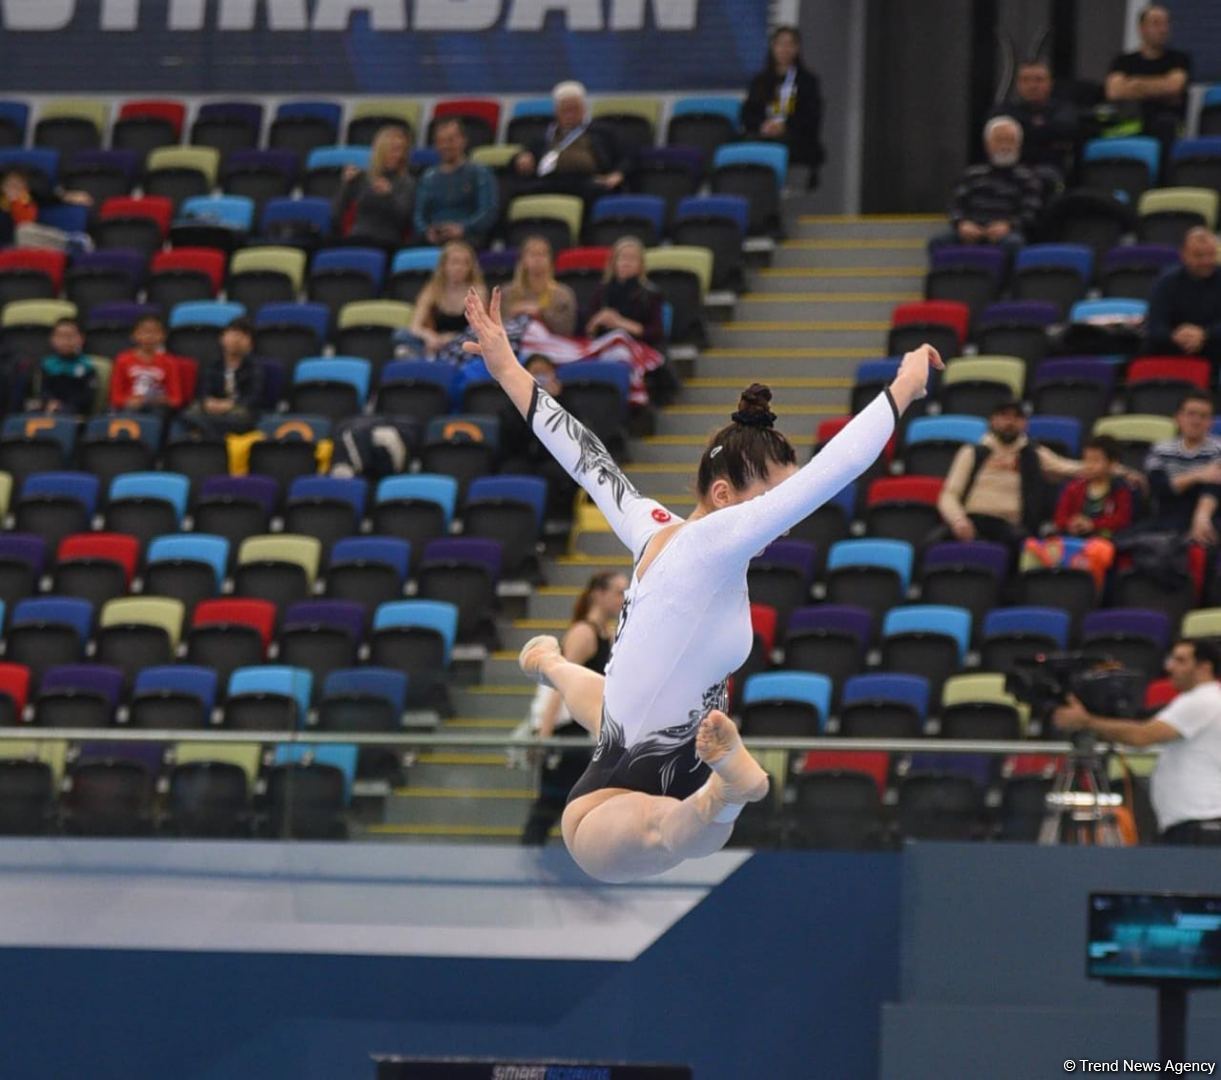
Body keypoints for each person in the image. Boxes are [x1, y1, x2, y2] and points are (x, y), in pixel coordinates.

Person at [463, 285, 939, 883]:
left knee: (637, 795)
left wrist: (505, 365)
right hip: (633, 790)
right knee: (672, 825)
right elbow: (834, 469)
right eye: (768, 497)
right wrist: (903, 387)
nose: (778, 513)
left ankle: (565, 674)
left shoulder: (651, 527)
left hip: (653, 757)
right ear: (723, 495)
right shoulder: (718, 542)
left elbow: (584, 455)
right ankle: (726, 785)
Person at [1055, 638, 1221, 846]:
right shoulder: (1199, 700)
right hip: (1191, 823)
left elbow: (1141, 736)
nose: (1170, 667)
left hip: (1202, 823)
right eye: (1171, 659)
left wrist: (1086, 721)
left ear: (1204, 667)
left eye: (1181, 661)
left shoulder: (1203, 700)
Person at [521, 572, 629, 846]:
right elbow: (557, 681)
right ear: (598, 594)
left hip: (585, 729)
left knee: (582, 805)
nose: (623, 598)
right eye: (618, 592)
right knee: (554, 804)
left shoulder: (607, 634)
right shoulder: (584, 633)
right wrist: (544, 735)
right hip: (568, 733)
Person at [935, 399, 1081, 555]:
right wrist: (959, 521)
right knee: (931, 544)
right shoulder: (972, 452)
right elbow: (949, 494)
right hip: (971, 519)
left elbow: (1068, 468)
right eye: (1004, 416)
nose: (1010, 422)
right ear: (992, 420)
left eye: (1016, 417)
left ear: (1025, 424)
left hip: (1009, 525)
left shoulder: (1033, 453)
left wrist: (1101, 466)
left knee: (1022, 546)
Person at [930, 116, 1044, 255]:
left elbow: (1029, 213)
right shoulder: (972, 175)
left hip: (1007, 232)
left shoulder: (1028, 178)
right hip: (971, 228)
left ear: (1019, 145)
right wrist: (961, 223)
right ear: (987, 144)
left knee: (1013, 244)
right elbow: (955, 205)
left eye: (1010, 140)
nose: (1005, 146)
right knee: (938, 242)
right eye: (999, 140)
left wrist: (1008, 225)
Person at [512, 81, 627, 202]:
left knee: (598, 191)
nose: (570, 115)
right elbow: (523, 153)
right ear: (556, 111)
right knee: (519, 191)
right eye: (565, 110)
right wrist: (521, 157)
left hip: (588, 180)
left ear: (584, 109)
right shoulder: (545, 133)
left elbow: (627, 157)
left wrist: (617, 174)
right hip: (550, 180)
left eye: (574, 109)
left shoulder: (601, 131)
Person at [741, 24, 824, 187]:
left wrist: (784, 126)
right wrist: (763, 125)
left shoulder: (807, 82)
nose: (784, 49)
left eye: (789, 44)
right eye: (780, 44)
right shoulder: (760, 81)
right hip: (763, 134)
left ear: (797, 48)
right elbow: (748, 113)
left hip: (795, 137)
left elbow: (811, 116)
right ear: (773, 47)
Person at [499, 354, 579, 522]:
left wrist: (554, 402)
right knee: (513, 469)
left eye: (545, 372)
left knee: (554, 473)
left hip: (554, 460)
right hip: (522, 458)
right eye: (535, 372)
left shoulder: (566, 403)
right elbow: (511, 441)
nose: (540, 377)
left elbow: (571, 437)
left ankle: (553, 521)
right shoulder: (511, 406)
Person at [1105, 4, 1190, 157]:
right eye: (1156, 23)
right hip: (1131, 122)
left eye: (1166, 23)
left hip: (1167, 123)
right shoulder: (1123, 61)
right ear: (1142, 28)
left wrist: (1134, 84)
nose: (1163, 29)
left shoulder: (1179, 60)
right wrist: (1159, 87)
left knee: (1165, 124)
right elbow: (1114, 91)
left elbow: (1173, 87)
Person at [1143, 389, 1221, 545]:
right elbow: (1160, 488)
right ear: (1178, 418)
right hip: (1166, 516)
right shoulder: (1160, 449)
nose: (1196, 421)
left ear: (1210, 422)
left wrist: (1201, 517)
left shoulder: (1218, 448)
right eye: (1191, 414)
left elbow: (1214, 487)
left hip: (1208, 516)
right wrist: (1198, 475)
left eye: (1203, 416)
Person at [412, 118, 498, 251]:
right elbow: (418, 215)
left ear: (463, 141)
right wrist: (426, 231)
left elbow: (487, 212)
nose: (446, 146)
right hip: (434, 238)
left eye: (451, 140)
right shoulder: (428, 177)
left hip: (468, 237)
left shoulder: (480, 173)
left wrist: (463, 228)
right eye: (441, 141)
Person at [992, 59, 1079, 181]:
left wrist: (1020, 131)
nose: (1032, 86)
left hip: (1049, 172)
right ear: (1018, 84)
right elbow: (994, 129)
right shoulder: (1003, 111)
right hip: (1008, 171)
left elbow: (1067, 130)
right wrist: (1042, 132)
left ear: (1050, 83)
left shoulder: (1063, 109)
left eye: (1039, 80)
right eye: (1026, 80)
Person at [1146, 228, 1221, 367]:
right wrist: (1175, 336)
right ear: (1184, 255)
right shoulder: (1165, 283)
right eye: (1199, 255)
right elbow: (1155, 327)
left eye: (1211, 255)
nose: (1206, 261)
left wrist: (1204, 334)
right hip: (1172, 351)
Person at [334, 124, 415, 249]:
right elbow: (336, 212)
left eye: (401, 150)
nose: (397, 155)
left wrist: (389, 196)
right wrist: (346, 185)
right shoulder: (363, 178)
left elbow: (404, 221)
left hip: (387, 240)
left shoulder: (406, 182)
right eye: (393, 149)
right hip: (357, 237)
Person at [180, 317, 265, 438]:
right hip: (213, 410)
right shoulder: (211, 364)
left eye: (243, 336)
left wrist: (230, 404)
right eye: (233, 334)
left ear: (251, 344)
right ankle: (216, 434)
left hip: (237, 411)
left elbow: (254, 397)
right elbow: (203, 391)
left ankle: (206, 433)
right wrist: (208, 402)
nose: (236, 339)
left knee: (243, 416)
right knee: (189, 413)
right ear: (222, 338)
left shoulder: (255, 367)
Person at [408, 240, 488, 356]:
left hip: (464, 342)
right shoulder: (432, 289)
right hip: (434, 340)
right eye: (455, 262)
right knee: (402, 335)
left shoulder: (477, 291)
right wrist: (430, 336)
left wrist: (451, 338)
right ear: (444, 265)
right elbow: (415, 326)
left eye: (465, 263)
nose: (459, 268)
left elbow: (479, 330)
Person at [584, 237, 664, 347]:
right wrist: (597, 320)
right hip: (606, 346)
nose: (626, 263)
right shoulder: (602, 290)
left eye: (632, 259)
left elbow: (656, 333)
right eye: (622, 258)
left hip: (639, 346)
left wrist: (620, 323)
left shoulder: (651, 294)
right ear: (613, 263)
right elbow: (588, 331)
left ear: (641, 265)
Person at [1053, 436, 1133, 539]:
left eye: (1095, 461)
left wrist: (1093, 524)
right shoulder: (1073, 488)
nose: (1089, 465)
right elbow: (1060, 517)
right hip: (1073, 538)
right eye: (1086, 459)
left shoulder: (1120, 490)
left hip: (1108, 542)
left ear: (1112, 463)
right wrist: (1071, 523)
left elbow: (1122, 520)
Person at [109, 314, 186, 415]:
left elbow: (176, 399)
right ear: (134, 335)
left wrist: (162, 400)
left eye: (155, 332)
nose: (149, 336)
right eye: (144, 331)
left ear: (163, 336)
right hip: (129, 410)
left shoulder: (170, 362)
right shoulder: (122, 360)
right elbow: (115, 398)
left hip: (158, 410)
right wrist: (130, 402)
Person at [502, 235, 578, 337]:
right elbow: (499, 327)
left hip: (550, 348)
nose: (538, 259)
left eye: (543, 255)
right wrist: (514, 312)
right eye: (533, 254)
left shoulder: (563, 294)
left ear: (550, 260)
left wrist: (541, 313)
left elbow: (566, 330)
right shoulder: (507, 293)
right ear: (523, 260)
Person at [36, 317, 96, 416]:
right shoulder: (47, 365)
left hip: (76, 414)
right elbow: (43, 390)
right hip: (49, 410)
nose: (65, 341)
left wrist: (66, 406)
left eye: (70, 336)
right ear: (52, 339)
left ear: (81, 339)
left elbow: (87, 396)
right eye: (60, 336)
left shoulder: (87, 366)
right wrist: (50, 402)